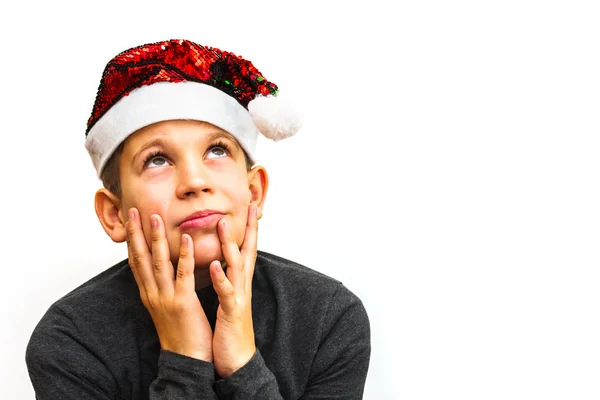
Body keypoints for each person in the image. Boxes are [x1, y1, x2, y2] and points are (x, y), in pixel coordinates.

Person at [25, 38, 371, 399]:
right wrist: (184, 361)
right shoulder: (69, 341)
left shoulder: (329, 317)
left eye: (217, 150)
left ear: (254, 192)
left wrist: (243, 366)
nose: (194, 181)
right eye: (157, 159)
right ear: (114, 215)